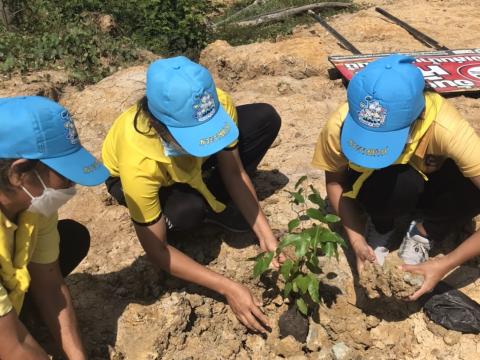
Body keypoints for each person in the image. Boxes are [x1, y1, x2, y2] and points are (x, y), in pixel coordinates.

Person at [102, 56, 283, 333]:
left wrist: (267, 237)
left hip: (190, 164)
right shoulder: (138, 163)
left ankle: (208, 194)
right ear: (159, 125)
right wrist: (227, 287)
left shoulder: (214, 104)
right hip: (140, 177)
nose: (205, 143)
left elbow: (234, 172)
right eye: (194, 136)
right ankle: (204, 204)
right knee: (187, 211)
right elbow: (157, 250)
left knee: (264, 119)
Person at [311, 54, 480, 300]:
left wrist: (444, 265)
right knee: (399, 182)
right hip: (384, 186)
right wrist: (357, 240)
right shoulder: (339, 125)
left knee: (472, 189)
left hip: (434, 185)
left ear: (416, 116)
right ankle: (382, 225)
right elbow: (335, 181)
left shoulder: (446, 127)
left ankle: (424, 232)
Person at [0, 96, 109, 359]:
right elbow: (13, 346)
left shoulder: (31, 203)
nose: (72, 184)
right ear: (18, 174)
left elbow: (50, 285)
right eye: (65, 174)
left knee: (71, 238)